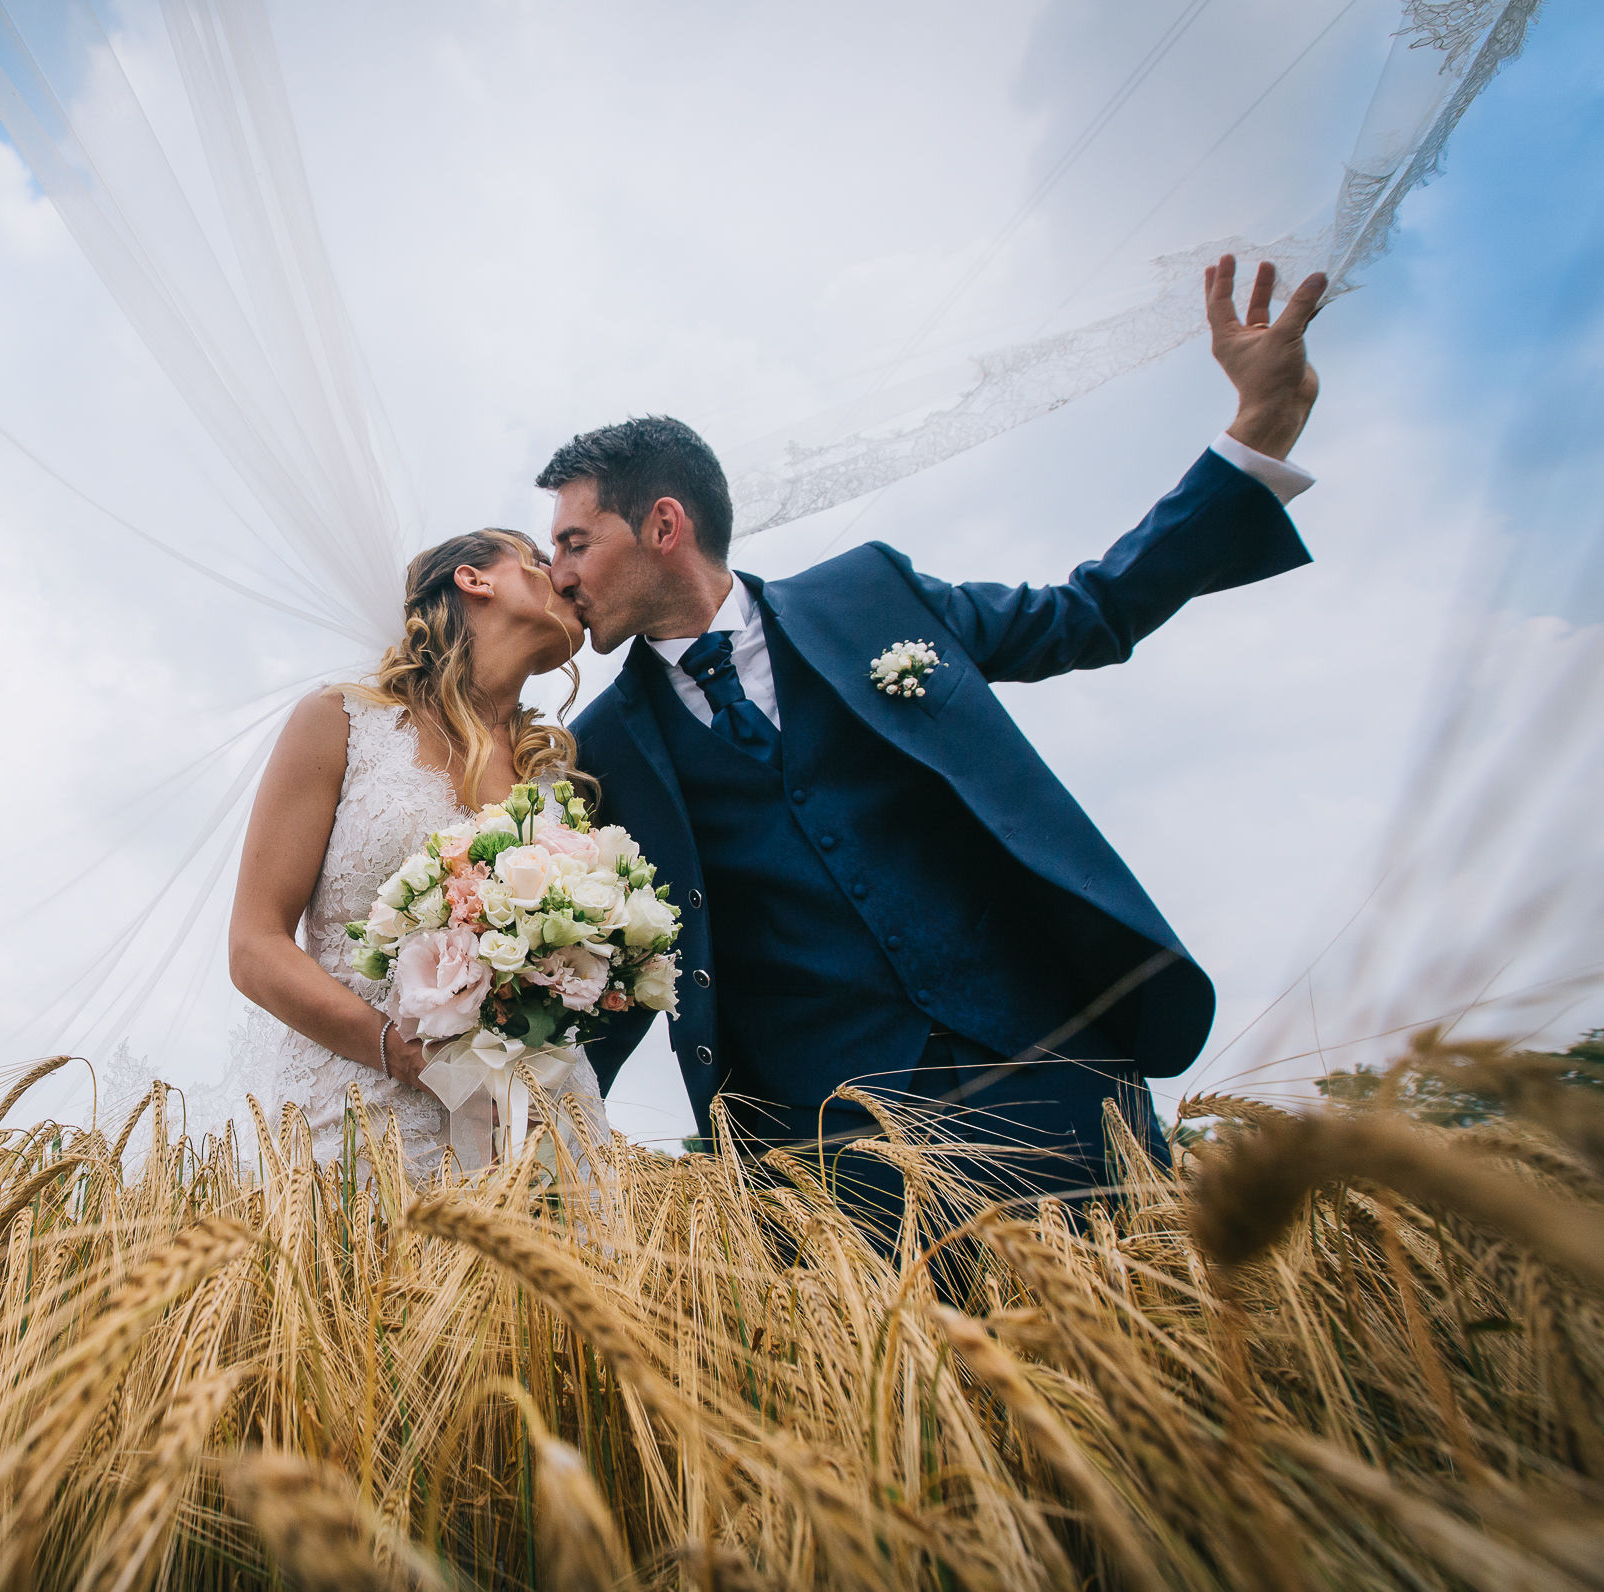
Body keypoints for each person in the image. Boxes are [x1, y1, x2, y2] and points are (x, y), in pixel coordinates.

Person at [543, 256, 1326, 1223]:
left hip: (1052, 1076)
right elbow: (604, 971)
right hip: (829, 1153)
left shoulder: (871, 597)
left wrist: (1253, 439)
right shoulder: (599, 753)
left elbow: (1090, 612)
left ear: (664, 524)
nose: (560, 576)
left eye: (575, 543)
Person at [227, 529, 605, 1176]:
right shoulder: (341, 722)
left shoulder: (556, 780)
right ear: (474, 579)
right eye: (541, 562)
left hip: (543, 1134)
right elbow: (253, 947)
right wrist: (403, 1054)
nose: (569, 579)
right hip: (373, 1127)